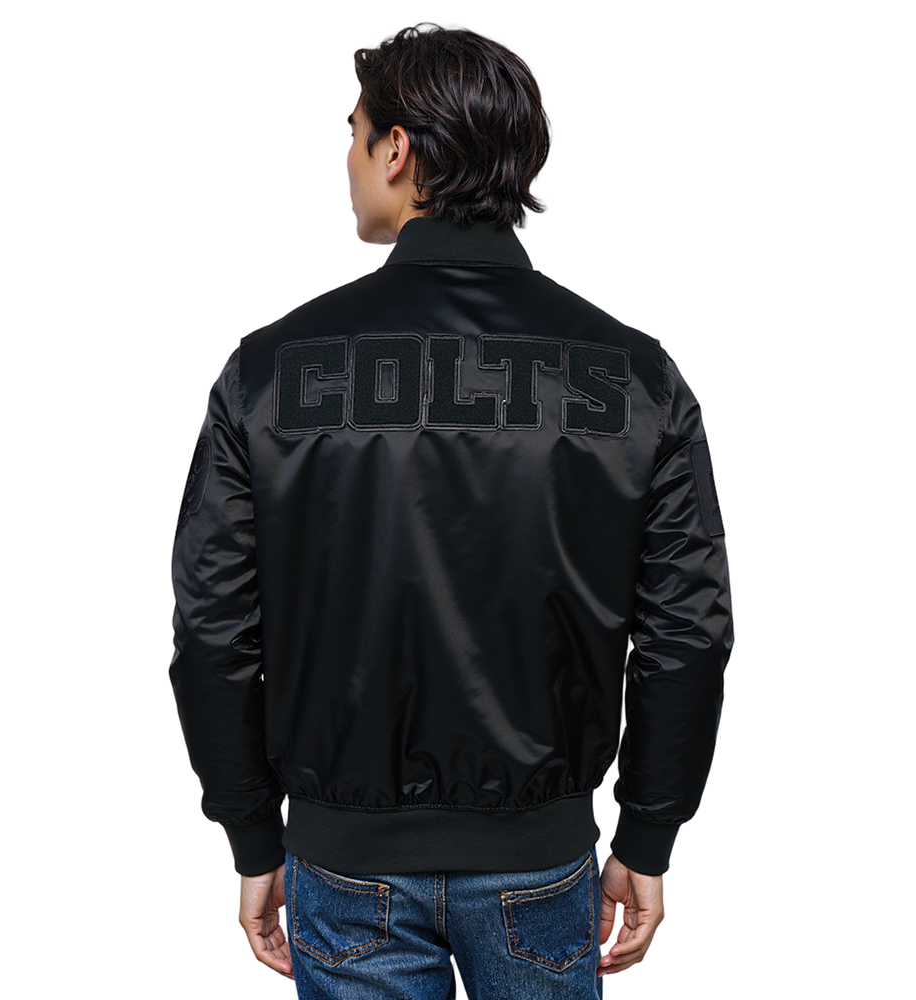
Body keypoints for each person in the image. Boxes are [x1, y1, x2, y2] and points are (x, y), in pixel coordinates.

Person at [170, 23, 732, 999]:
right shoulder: (633, 378)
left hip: (344, 863)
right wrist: (647, 832)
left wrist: (254, 832)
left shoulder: (270, 373)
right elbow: (685, 631)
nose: (349, 160)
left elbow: (215, 627)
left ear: (396, 150)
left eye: (354, 134)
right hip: (539, 859)